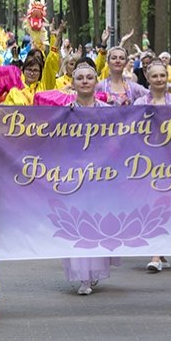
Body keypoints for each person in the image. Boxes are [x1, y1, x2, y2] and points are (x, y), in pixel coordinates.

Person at [62, 58, 119, 294]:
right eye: (80, 78)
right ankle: (83, 276)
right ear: (72, 83)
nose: (85, 81)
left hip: (101, 175)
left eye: (89, 77)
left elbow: (119, 140)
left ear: (97, 81)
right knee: (78, 221)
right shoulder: (64, 113)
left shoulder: (108, 111)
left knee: (98, 221)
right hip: (74, 175)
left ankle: (94, 271)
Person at [134, 59, 171, 273]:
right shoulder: (139, 104)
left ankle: (159, 251)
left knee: (167, 204)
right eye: (154, 76)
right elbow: (131, 132)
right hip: (147, 161)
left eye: (162, 75)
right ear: (147, 77)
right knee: (151, 204)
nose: (159, 79)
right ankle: (156, 252)